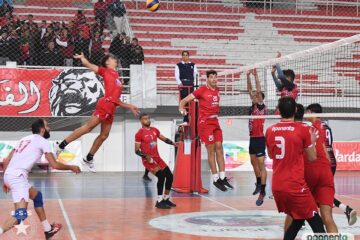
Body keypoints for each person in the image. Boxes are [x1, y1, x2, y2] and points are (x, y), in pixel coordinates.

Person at [55, 53, 139, 172]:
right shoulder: (105, 71)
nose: (115, 59)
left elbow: (117, 99)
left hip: (112, 107)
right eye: (112, 58)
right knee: (88, 128)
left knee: (104, 135)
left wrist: (129, 106)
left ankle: (89, 158)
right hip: (105, 105)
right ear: (107, 63)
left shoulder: (117, 77)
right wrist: (83, 59)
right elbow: (89, 65)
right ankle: (61, 145)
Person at [0, 119, 81, 239]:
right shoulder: (43, 141)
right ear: (42, 129)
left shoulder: (23, 139)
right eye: (48, 126)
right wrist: (71, 167)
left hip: (10, 175)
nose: (49, 129)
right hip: (17, 178)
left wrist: (7, 181)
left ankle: (48, 230)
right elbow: (54, 165)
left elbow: (6, 160)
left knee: (37, 196)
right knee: (20, 216)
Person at [265, 97, 326, 239]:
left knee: (298, 219)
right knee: (316, 222)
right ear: (296, 110)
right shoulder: (303, 129)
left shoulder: (269, 130)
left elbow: (271, 155)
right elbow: (312, 158)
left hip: (277, 186)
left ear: (279, 111)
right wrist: (311, 142)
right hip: (295, 185)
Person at [179, 70, 233, 192]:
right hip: (205, 123)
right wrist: (181, 108)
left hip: (215, 121)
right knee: (211, 150)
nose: (214, 79)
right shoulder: (202, 90)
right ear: (207, 79)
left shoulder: (217, 90)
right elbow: (184, 100)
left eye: (215, 77)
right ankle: (215, 179)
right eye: (211, 77)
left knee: (219, 147)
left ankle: (223, 177)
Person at [306, 103, 357, 230]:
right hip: (332, 161)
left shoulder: (313, 128)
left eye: (307, 112)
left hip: (322, 162)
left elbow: (316, 147)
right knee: (324, 191)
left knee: (313, 193)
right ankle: (346, 209)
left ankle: (308, 220)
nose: (306, 114)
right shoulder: (327, 127)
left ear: (312, 112)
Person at [135, 113, 177, 209]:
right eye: (145, 119)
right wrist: (146, 156)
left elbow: (163, 138)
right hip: (148, 160)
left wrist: (172, 143)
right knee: (161, 176)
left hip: (158, 158)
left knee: (170, 176)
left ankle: (166, 199)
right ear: (141, 121)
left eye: (148, 118)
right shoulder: (139, 133)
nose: (148, 120)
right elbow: (136, 151)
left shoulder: (155, 130)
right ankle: (159, 201)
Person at [246, 69, 267, 206]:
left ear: (260, 98)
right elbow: (250, 90)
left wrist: (256, 76)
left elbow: (257, 89)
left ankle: (263, 190)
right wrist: (247, 75)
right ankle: (258, 183)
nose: (254, 95)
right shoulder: (252, 106)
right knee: (253, 163)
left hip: (260, 138)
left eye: (256, 95)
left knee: (261, 164)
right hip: (252, 138)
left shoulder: (260, 106)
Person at [175, 51, 198, 123]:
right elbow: (176, 75)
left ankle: (193, 119)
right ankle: (185, 119)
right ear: (182, 56)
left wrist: (195, 86)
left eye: (186, 55)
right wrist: (179, 83)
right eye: (183, 55)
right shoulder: (178, 65)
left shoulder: (193, 65)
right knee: (184, 103)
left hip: (191, 84)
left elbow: (196, 75)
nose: (185, 56)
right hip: (183, 84)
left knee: (192, 102)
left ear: (188, 56)